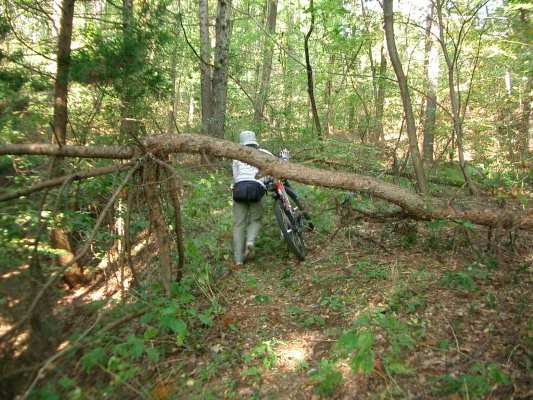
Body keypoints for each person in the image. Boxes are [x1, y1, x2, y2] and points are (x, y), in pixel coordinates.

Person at [232, 131, 273, 266]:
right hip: (257, 188)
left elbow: (236, 176)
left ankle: (238, 260)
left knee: (239, 224)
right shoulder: (263, 152)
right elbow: (276, 165)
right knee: (255, 219)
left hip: (239, 188)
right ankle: (250, 241)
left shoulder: (237, 155)